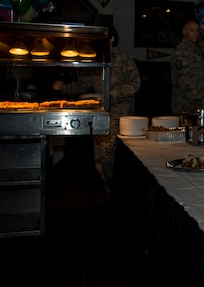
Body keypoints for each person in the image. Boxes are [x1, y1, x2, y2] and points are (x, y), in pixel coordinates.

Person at [53, 25, 141, 194]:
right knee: (99, 157)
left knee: (111, 155)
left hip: (120, 113)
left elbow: (135, 84)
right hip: (100, 112)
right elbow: (82, 85)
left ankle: (120, 193)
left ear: (111, 39)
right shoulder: (93, 59)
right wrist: (63, 87)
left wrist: (111, 94)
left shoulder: (123, 58)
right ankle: (110, 193)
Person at [170, 18, 204, 115]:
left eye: (198, 30)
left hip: (197, 105)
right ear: (184, 31)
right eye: (192, 30)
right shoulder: (180, 52)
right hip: (185, 106)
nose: (196, 33)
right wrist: (202, 100)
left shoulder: (196, 51)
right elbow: (184, 80)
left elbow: (198, 77)